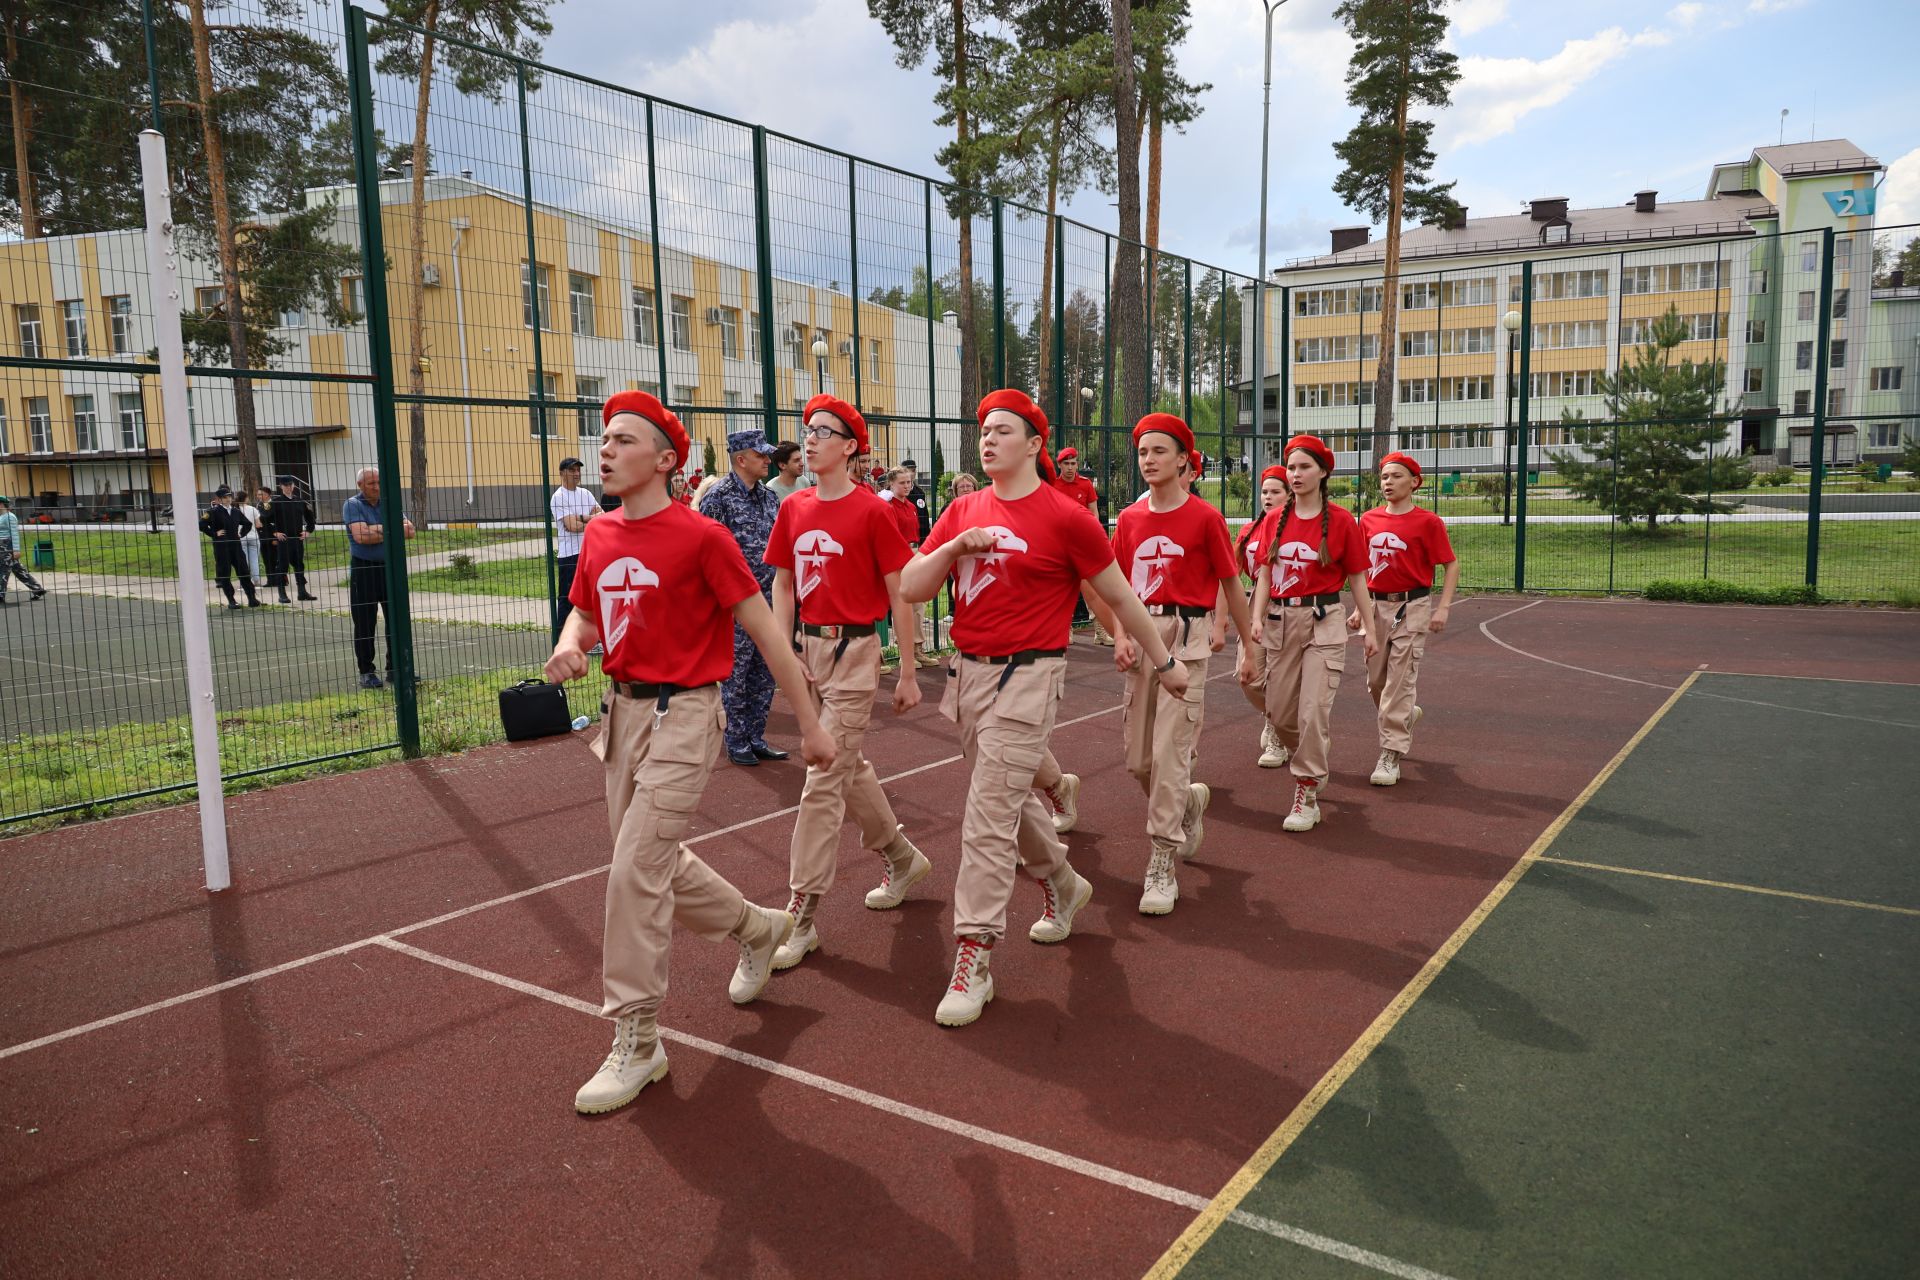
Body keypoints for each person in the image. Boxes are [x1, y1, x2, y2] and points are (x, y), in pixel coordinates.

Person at [547, 390, 836, 1115]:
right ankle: (758, 927)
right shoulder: (601, 536)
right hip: (623, 715)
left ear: (667, 460)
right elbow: (586, 608)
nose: (604, 450)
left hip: (686, 712)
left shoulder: (701, 537)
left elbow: (769, 635)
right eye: (602, 438)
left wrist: (812, 726)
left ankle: (638, 1039)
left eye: (621, 440)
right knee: (654, 861)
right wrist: (570, 645)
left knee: (634, 869)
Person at [899, 388, 1190, 1027]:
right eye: (983, 429)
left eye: (1003, 430)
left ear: (1034, 444)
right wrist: (951, 548)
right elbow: (912, 586)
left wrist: (1164, 664)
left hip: (1031, 677)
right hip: (968, 678)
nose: (989, 438)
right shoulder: (962, 508)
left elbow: (1121, 596)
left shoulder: (1067, 518)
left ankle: (973, 952)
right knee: (1003, 798)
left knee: (984, 817)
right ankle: (1063, 883)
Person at [761, 395, 932, 974]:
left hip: (856, 652)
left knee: (822, 777)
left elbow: (901, 593)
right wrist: (784, 648)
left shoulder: (873, 512)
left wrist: (906, 669)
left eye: (823, 432)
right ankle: (902, 857)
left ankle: (800, 912)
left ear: (851, 447)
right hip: (806, 650)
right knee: (847, 766)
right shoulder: (794, 508)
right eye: (806, 430)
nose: (809, 441)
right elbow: (783, 585)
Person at [1109, 414, 1255, 914]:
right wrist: (1119, 636)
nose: (1148, 460)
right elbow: (1117, 587)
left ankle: (1161, 859)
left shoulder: (1204, 518)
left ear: (1184, 461)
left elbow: (1232, 583)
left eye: (1159, 452)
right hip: (1143, 636)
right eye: (1143, 452)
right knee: (1138, 761)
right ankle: (1188, 802)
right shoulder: (1128, 519)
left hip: (1187, 642)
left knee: (1171, 754)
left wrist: (1247, 646)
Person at [1236, 435, 1381, 832]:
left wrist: (1368, 625)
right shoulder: (1272, 521)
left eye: (1303, 467)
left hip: (1324, 622)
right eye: (1291, 467)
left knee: (1314, 710)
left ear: (1323, 472)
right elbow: (1265, 571)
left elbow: (1356, 576)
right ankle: (1313, 750)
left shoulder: (1341, 521)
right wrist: (1256, 616)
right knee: (1281, 714)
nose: (1295, 474)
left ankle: (1307, 788)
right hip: (1281, 623)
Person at [1350, 452, 1459, 787]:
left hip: (1412, 607)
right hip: (1375, 608)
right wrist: (1360, 607)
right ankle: (1405, 716)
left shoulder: (1428, 522)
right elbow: (1360, 568)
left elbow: (1450, 564)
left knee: (1398, 684)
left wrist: (1442, 608)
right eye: (1384, 477)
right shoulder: (1367, 520)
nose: (1388, 482)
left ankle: (1390, 753)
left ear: (1414, 482)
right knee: (1377, 683)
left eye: (1396, 476)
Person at [701, 428, 788, 766]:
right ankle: (736, 740)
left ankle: (755, 736)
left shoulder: (769, 498)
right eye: (761, 455)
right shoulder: (718, 497)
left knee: (764, 674)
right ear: (741, 459)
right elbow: (704, 553)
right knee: (736, 675)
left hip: (769, 601)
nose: (768, 460)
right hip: (734, 606)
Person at [1229, 466, 1291, 768]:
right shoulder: (1250, 530)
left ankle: (1280, 735)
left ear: (1290, 494)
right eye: (1265, 491)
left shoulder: (1299, 528)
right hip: (1257, 602)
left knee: (1281, 678)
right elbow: (1231, 573)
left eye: (1275, 491)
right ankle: (1273, 717)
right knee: (1249, 677)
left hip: (1291, 605)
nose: (1268, 496)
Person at [343, 466, 413, 689]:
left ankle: (396, 669)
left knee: (396, 619)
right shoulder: (353, 505)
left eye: (379, 482)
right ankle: (366, 671)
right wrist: (391, 529)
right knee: (365, 621)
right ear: (360, 485)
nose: (377, 487)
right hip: (364, 570)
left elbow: (410, 532)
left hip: (391, 568)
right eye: (372, 483)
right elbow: (361, 537)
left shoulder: (390, 502)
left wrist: (377, 529)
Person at [550, 456, 600, 632]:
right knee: (568, 597)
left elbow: (601, 515)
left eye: (578, 470)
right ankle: (562, 636)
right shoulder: (559, 497)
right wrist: (589, 519)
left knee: (590, 595)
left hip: (588, 551)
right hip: (569, 555)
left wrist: (582, 518)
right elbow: (572, 526)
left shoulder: (585, 494)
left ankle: (590, 635)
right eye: (572, 470)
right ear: (562, 473)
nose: (576, 473)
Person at [198, 485, 260, 610]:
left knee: (244, 572)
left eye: (229, 497)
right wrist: (214, 534)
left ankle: (252, 598)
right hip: (222, 548)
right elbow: (201, 524)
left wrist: (241, 534)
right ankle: (232, 600)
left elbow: (247, 524)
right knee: (225, 574)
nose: (228, 499)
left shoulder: (236, 511)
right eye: (225, 497)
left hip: (236, 546)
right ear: (219, 499)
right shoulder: (213, 511)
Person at [266, 475, 318, 603]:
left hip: (297, 539)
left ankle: (302, 592)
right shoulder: (275, 503)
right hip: (284, 540)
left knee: (299, 565)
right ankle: (282, 593)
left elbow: (310, 519)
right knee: (282, 566)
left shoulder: (300, 501)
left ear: (294, 485)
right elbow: (264, 521)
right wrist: (275, 532)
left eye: (290, 485)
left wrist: (308, 531)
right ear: (281, 487)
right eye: (286, 485)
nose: (289, 487)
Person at [0, 495, 47, 605]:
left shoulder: (9, 516)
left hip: (7, 546)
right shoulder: (1, 517)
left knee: (3, 570)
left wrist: (16, 550)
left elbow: (14, 534)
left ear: (1, 504)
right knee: (18, 570)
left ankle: (0, 594)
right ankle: (37, 589)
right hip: (2, 547)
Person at [238, 487, 266, 586]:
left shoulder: (235, 510)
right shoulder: (253, 509)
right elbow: (258, 525)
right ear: (246, 498)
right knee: (254, 559)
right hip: (253, 536)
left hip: (241, 537)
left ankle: (245, 581)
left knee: (243, 561)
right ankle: (256, 580)